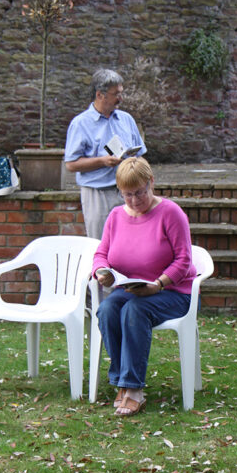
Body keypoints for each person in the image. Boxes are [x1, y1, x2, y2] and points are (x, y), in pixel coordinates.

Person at [92, 157, 196, 416]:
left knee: (134, 311)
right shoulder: (116, 216)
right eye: (127, 195)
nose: (135, 201)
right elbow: (101, 253)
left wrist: (158, 285)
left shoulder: (171, 213)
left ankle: (133, 387)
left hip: (172, 292)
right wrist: (101, 271)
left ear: (151, 182)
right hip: (129, 290)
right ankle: (122, 380)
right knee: (107, 310)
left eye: (140, 192)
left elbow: (184, 260)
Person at [65, 69, 147, 239]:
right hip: (98, 194)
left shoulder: (126, 119)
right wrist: (102, 161)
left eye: (121, 93)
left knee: (133, 242)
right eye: (116, 94)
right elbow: (71, 164)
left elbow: (141, 154)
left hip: (129, 191)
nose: (121, 98)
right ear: (100, 95)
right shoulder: (80, 124)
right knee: (100, 244)